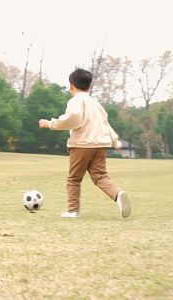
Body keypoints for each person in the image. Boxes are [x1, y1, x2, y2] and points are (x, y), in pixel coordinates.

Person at [38, 68, 130, 218]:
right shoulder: (96, 103)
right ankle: (118, 193)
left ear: (71, 86)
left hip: (81, 145)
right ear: (89, 87)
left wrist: (51, 124)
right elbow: (105, 123)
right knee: (100, 176)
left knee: (74, 178)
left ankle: (73, 211)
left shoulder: (76, 101)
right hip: (100, 146)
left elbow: (73, 118)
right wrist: (115, 141)